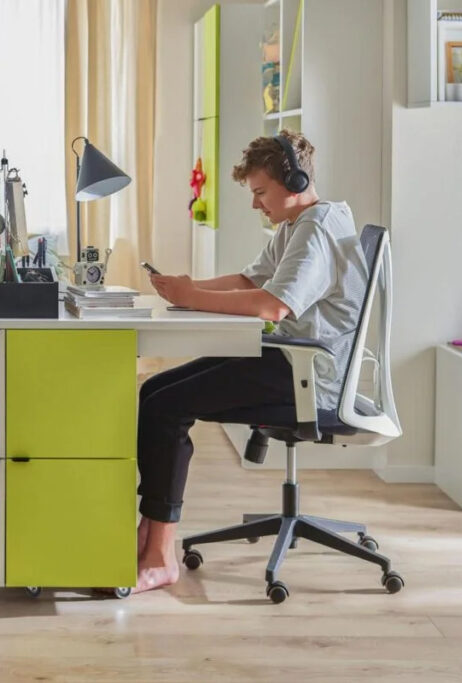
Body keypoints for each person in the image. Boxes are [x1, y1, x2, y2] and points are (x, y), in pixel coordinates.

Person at [135, 131, 368, 593]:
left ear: (295, 182)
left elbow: (272, 306)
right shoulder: (299, 223)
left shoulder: (317, 230)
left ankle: (161, 556)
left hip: (307, 374)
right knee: (153, 391)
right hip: (290, 360)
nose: (255, 204)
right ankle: (149, 531)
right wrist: (186, 288)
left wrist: (193, 297)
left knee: (165, 407)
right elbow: (251, 280)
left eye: (261, 192)